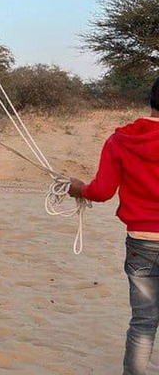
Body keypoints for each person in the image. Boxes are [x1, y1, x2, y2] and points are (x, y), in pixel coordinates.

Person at [68, 77, 159, 375]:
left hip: (141, 242)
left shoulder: (119, 140)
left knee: (144, 321)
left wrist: (79, 188)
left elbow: (103, 191)